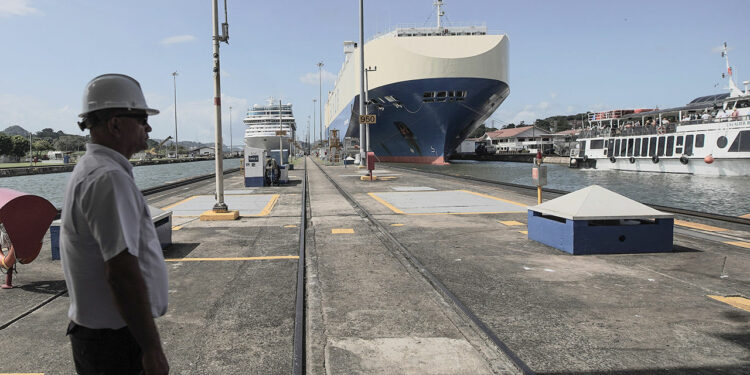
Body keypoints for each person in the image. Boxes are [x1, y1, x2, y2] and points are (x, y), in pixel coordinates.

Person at [60, 74, 169, 375]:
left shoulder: (92, 169)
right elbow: (121, 273)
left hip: (101, 337)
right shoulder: (109, 178)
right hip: (114, 344)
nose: (148, 127)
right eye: (141, 118)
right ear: (115, 124)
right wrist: (151, 348)